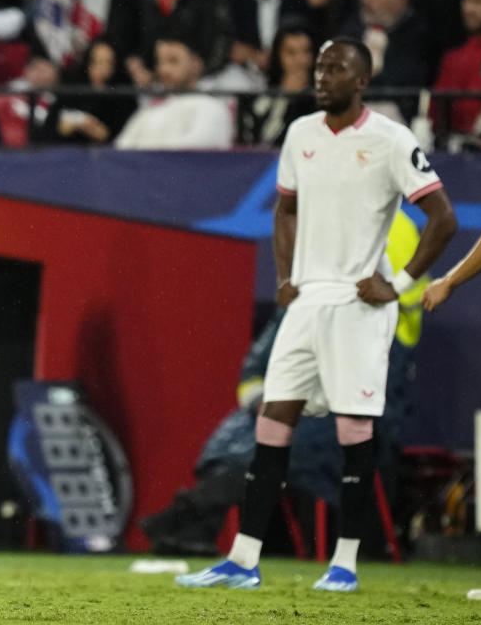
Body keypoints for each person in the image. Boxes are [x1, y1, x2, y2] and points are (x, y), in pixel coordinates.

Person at [176, 37, 456, 592]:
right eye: (321, 67)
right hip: (305, 304)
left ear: (362, 81)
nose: (322, 76)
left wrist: (398, 285)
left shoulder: (392, 141)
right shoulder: (300, 133)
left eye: (336, 69)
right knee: (272, 421)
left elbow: (442, 218)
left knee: (353, 432)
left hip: (357, 307)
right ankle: (244, 560)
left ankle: (345, 566)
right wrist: (285, 278)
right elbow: (285, 208)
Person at [115, 39, 234, 150]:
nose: (163, 70)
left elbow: (196, 151)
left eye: (173, 61)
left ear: (196, 63)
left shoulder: (212, 107)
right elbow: (121, 149)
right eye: (160, 61)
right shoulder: (150, 109)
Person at [40, 39, 134, 145]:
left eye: (108, 63)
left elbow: (127, 140)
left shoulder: (123, 97)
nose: (103, 69)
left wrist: (105, 136)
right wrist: (63, 129)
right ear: (88, 64)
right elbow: (46, 136)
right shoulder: (72, 92)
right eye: (97, 62)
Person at [238, 23, 317, 147]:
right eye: (291, 53)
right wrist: (286, 96)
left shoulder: (322, 100)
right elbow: (263, 140)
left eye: (306, 51)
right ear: (278, 56)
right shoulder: (262, 97)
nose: (301, 60)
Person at [432, 0, 481, 138]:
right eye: (466, 1)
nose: (468, 9)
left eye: (478, 2)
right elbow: (435, 114)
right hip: (456, 150)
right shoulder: (453, 58)